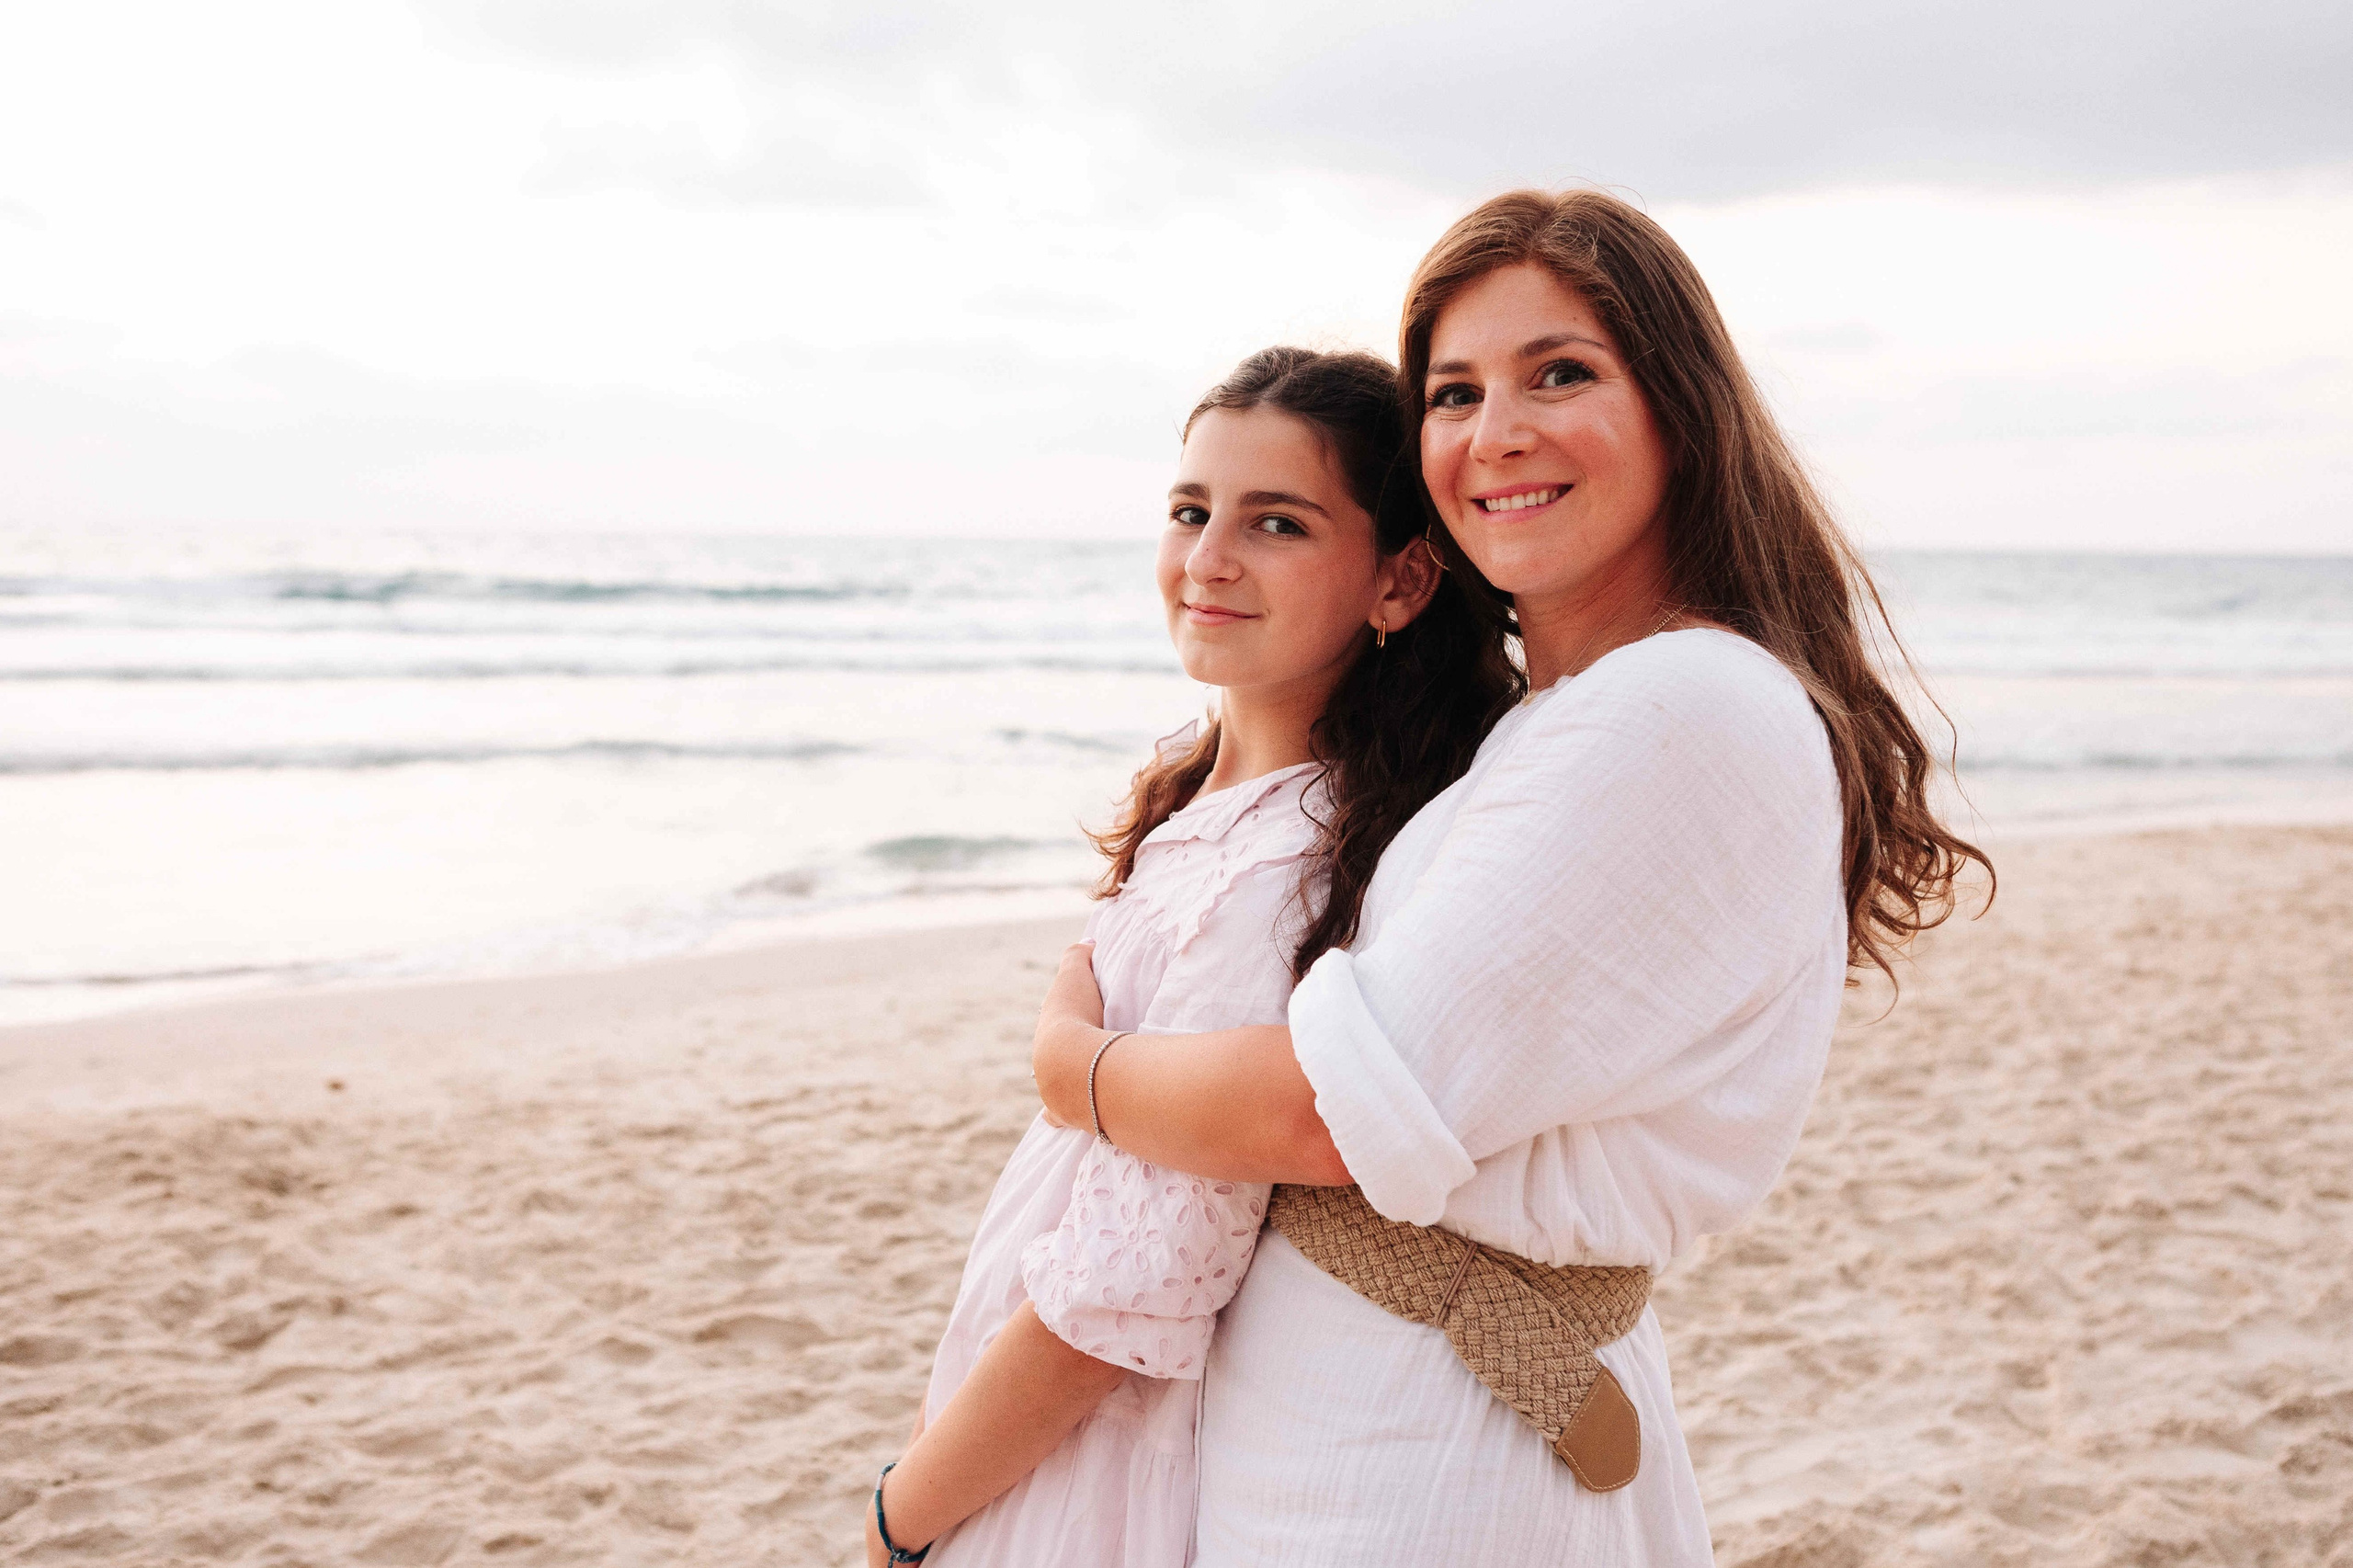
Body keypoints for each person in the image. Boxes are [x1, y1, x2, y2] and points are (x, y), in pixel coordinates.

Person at [1030, 189, 1991, 1564]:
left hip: (1432, 1469)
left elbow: (1330, 1110)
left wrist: (1078, 1070)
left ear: (1682, 406)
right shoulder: (1571, 716)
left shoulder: (1681, 709)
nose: (1497, 433)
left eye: (1561, 374)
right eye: (1455, 390)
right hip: (1381, 1436)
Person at [866, 347, 1518, 1566]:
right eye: (1190, 510)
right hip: (1022, 1412)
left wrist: (906, 1511)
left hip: (1083, 1454)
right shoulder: (1208, 800)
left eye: (1276, 522)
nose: (1209, 556)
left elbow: (1129, 1289)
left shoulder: (1278, 870)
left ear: (1400, 580)